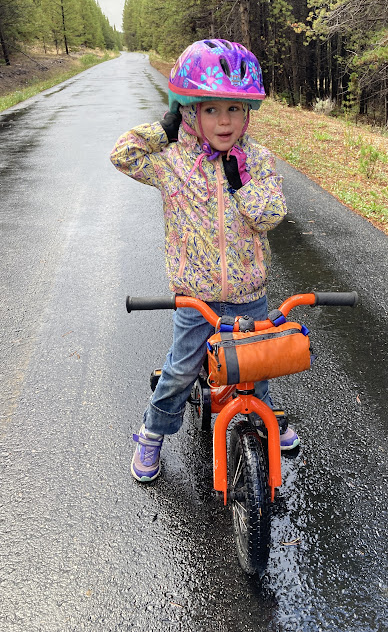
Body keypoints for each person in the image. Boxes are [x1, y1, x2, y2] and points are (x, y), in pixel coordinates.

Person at [110, 38, 299, 483]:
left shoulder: (257, 160)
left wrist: (242, 184)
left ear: (248, 113)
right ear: (191, 112)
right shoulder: (172, 162)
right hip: (197, 298)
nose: (224, 121)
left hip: (249, 292)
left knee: (257, 367)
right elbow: (122, 156)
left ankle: (265, 415)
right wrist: (164, 128)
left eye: (234, 109)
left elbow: (271, 216)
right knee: (181, 370)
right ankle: (152, 433)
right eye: (210, 109)